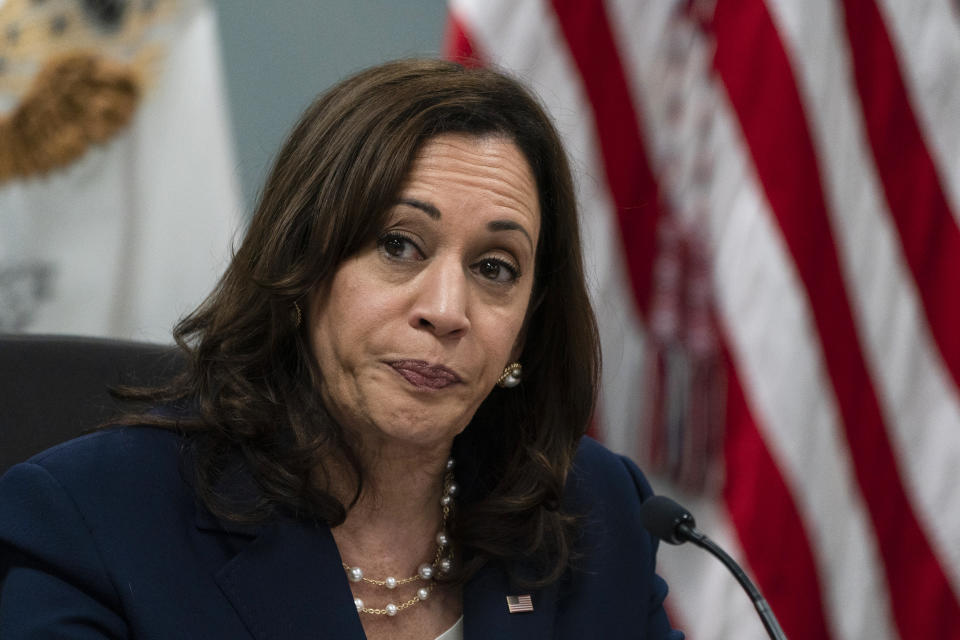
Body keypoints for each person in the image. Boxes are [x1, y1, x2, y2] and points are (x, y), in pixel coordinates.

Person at [0, 59, 683, 639]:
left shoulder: (597, 515)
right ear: (302, 269)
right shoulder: (91, 521)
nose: (446, 311)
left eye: (495, 268)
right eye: (398, 246)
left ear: (528, 326)